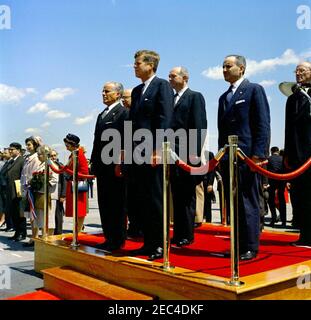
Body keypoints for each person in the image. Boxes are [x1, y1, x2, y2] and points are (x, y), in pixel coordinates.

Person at [218, 54, 270, 260]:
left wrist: (258, 155)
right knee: (235, 204)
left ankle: (250, 246)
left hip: (248, 157)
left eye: (228, 66)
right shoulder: (224, 97)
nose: (224, 69)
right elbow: (222, 131)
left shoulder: (254, 90)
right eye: (222, 66)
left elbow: (262, 124)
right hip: (229, 158)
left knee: (248, 201)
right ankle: (237, 244)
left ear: (241, 69)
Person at [129, 50, 174, 260]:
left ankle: (160, 245)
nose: (134, 66)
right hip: (137, 153)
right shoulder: (137, 91)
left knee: (156, 200)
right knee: (142, 200)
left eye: (138, 63)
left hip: (153, 152)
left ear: (151, 65)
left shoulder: (162, 85)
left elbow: (164, 119)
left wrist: (158, 149)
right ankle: (147, 242)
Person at [168, 66, 207, 246]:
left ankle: (187, 234)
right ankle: (178, 232)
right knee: (176, 196)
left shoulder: (194, 96)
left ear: (185, 78)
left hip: (187, 154)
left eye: (173, 75)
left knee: (187, 197)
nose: (169, 78)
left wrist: (194, 153)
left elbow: (199, 126)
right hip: (171, 154)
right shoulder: (170, 99)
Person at [90, 81, 128, 251]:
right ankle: (108, 237)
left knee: (116, 204)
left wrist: (120, 163)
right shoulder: (101, 115)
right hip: (102, 166)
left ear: (118, 94)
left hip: (115, 167)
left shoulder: (123, 113)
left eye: (107, 91)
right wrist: (93, 162)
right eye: (102, 91)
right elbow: (96, 141)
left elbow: (125, 141)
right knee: (104, 203)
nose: (103, 94)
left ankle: (118, 239)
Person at [284, 61, 311, 248]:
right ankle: (305, 234)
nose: (298, 73)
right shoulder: (293, 98)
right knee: (300, 196)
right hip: (298, 157)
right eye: (296, 71)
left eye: (302, 70)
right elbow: (288, 129)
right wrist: (288, 154)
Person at [28, 145, 57, 240]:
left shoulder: (51, 164)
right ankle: (44, 237)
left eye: (39, 154)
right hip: (40, 195)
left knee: (49, 220)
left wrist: (41, 183)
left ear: (45, 154)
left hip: (49, 196)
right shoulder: (41, 164)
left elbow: (54, 179)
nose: (38, 156)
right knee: (42, 219)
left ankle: (50, 238)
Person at [63, 134, 89, 232]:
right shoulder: (74, 153)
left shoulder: (79, 154)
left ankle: (78, 230)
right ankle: (77, 229)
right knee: (76, 209)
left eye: (67, 144)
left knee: (80, 209)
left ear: (72, 144)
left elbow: (85, 172)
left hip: (78, 184)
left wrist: (73, 175)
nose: (66, 145)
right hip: (73, 183)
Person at [20, 136, 42, 247]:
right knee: (30, 215)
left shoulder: (36, 158)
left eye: (29, 144)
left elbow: (35, 174)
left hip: (32, 189)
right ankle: (33, 237)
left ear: (35, 145)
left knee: (34, 214)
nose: (27, 147)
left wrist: (29, 184)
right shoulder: (28, 157)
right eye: (27, 144)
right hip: (26, 188)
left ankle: (35, 237)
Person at [5, 143, 25, 241]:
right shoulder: (12, 161)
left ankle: (22, 232)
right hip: (10, 190)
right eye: (9, 149)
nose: (10, 151)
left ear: (18, 150)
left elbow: (23, 175)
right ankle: (17, 232)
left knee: (19, 213)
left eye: (12, 149)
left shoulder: (22, 160)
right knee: (13, 212)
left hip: (18, 190)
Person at [266, 146, 286, 227]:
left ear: (271, 151)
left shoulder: (269, 159)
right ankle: (283, 221)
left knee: (271, 200)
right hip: (281, 180)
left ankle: (273, 218)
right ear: (277, 151)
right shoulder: (282, 159)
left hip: (272, 181)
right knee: (282, 199)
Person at [50, 150, 66, 235]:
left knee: (58, 215)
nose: (53, 157)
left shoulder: (60, 166)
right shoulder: (47, 165)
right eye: (51, 155)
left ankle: (58, 232)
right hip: (50, 193)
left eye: (54, 155)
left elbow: (64, 181)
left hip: (59, 194)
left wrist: (63, 195)